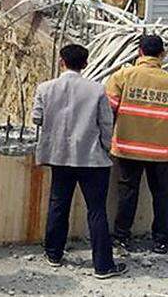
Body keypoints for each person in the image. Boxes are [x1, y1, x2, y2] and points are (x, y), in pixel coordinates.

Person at [32, 44, 126, 278]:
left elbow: (37, 118)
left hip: (60, 156)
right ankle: (103, 266)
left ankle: (53, 253)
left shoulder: (45, 88)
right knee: (96, 211)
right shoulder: (96, 90)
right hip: (92, 159)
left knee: (58, 203)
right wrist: (106, 148)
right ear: (85, 64)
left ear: (61, 61)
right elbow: (106, 124)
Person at [105, 34, 168, 254]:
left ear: (140, 52)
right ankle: (161, 240)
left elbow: (107, 112)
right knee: (162, 195)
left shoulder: (123, 76)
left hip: (127, 147)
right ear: (162, 54)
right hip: (162, 152)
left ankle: (121, 237)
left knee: (127, 193)